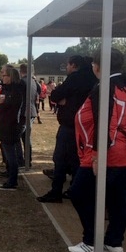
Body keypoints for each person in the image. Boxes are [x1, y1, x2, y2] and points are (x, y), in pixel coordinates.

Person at [67, 48, 126, 252]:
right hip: (124, 151)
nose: (92, 67)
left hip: (107, 153)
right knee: (117, 198)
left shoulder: (105, 88)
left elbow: (105, 122)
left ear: (99, 66)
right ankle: (114, 242)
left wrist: (97, 154)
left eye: (94, 64)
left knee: (79, 192)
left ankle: (91, 240)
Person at [37, 55, 97, 203]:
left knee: (60, 158)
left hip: (70, 125)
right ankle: (75, 190)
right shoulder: (95, 79)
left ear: (74, 65)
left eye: (68, 66)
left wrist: (65, 100)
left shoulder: (75, 77)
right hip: (88, 126)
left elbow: (56, 95)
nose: (67, 68)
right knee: (78, 160)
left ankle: (56, 191)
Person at [0, 66, 25, 190]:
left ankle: (12, 181)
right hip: (7, 124)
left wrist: (1, 103)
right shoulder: (9, 89)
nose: (2, 77)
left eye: (4, 75)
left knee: (11, 154)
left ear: (10, 76)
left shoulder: (15, 91)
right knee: (8, 152)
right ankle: (10, 176)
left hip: (10, 126)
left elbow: (11, 109)